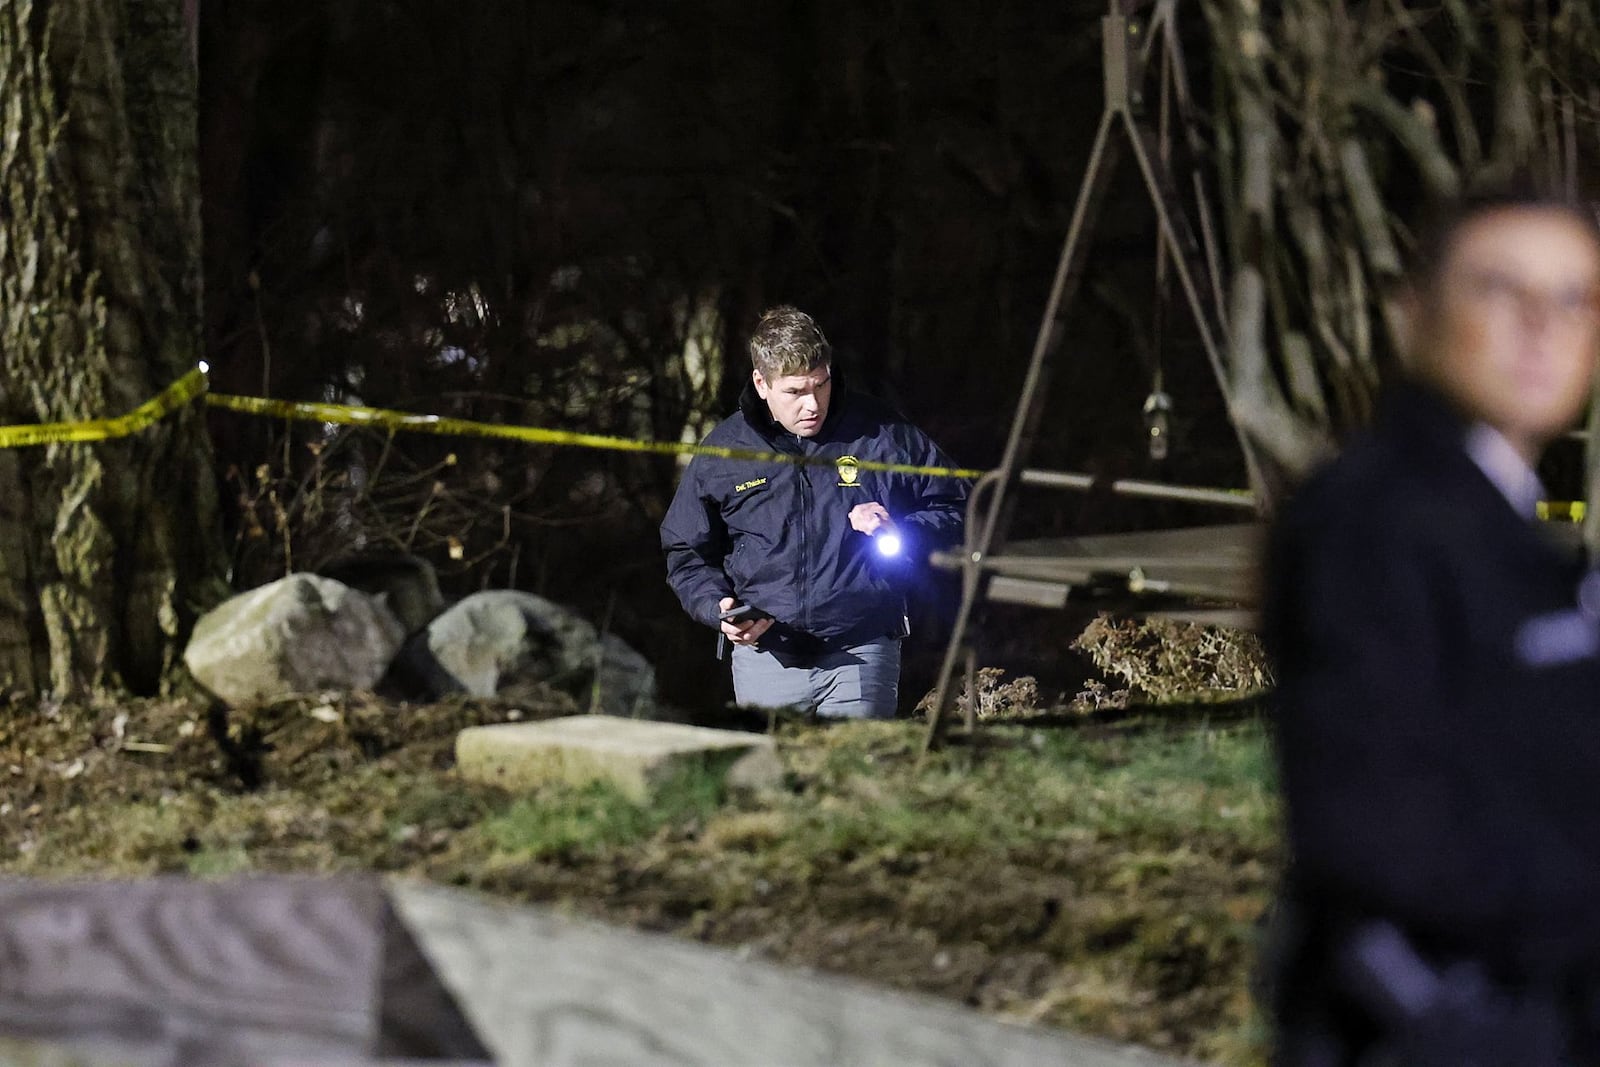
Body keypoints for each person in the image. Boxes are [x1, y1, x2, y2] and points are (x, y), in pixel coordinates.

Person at [1263, 190, 1600, 1065]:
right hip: (1449, 1028)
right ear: (1414, 317)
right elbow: (1376, 827)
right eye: (1499, 289)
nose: (1541, 326)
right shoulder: (1375, 522)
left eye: (1574, 299)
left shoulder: (1499, 522)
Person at [660, 305, 967, 720]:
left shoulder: (881, 433)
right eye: (795, 392)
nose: (812, 404)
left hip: (862, 647)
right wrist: (718, 608)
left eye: (820, 385)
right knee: (775, 780)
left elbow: (957, 504)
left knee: (856, 776)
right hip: (765, 657)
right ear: (761, 383)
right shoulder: (722, 452)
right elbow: (686, 552)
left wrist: (901, 529)